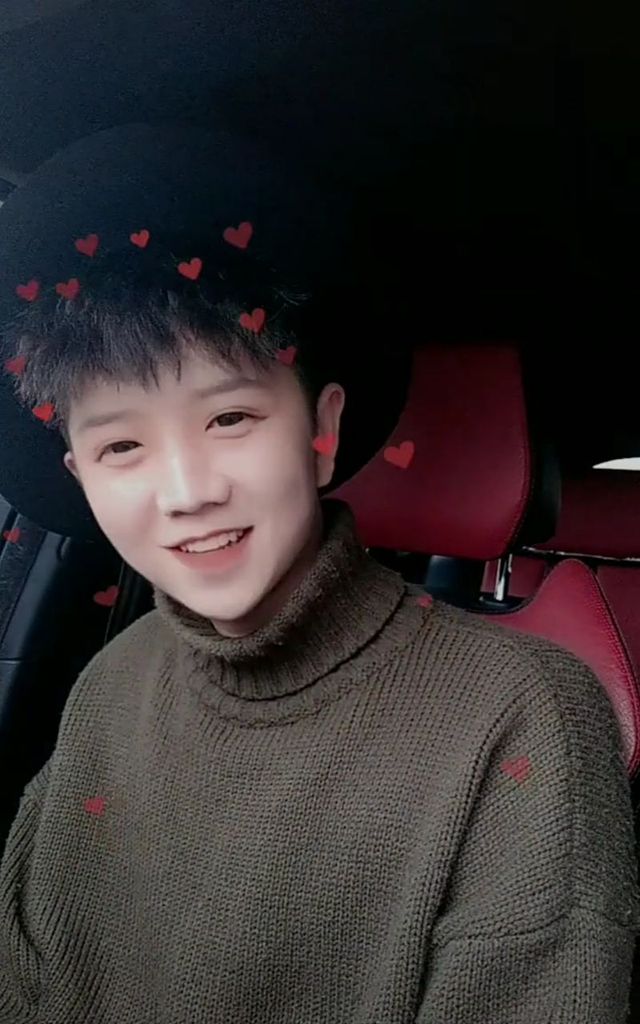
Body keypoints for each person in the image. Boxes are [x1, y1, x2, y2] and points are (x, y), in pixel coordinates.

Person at [0, 122, 638, 1024]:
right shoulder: (109, 683)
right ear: (82, 478)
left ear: (322, 431)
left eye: (229, 420)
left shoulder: (524, 714)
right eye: (122, 446)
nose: (186, 492)